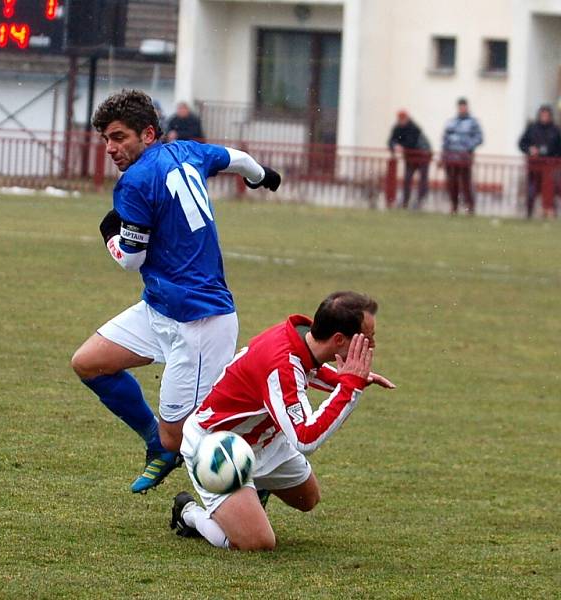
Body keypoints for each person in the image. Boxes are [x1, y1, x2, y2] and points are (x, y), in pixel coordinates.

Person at [70, 89, 281, 494]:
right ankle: (157, 446)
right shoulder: (187, 150)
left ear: (147, 134)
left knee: (183, 434)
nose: (111, 148)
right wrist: (261, 176)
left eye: (119, 137)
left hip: (198, 320)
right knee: (89, 362)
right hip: (160, 307)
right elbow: (235, 157)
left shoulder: (134, 181)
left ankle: (264, 466)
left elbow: (130, 259)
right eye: (106, 140)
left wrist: (110, 235)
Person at [169, 291, 396, 550]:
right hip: (217, 447)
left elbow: (305, 369)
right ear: (339, 339)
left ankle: (250, 493)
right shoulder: (281, 364)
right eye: (368, 338)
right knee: (258, 543)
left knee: (307, 498)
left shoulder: (300, 340)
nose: (373, 345)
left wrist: (343, 378)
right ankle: (190, 514)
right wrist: (349, 388)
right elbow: (304, 438)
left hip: (262, 441)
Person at [518, 104, 561, 218]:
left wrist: (554, 157)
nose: (545, 117)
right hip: (534, 164)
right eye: (543, 115)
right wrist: (529, 149)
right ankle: (529, 211)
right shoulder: (532, 128)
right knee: (532, 189)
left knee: (549, 188)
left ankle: (548, 210)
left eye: (547, 115)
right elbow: (522, 143)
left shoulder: (556, 130)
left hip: (550, 165)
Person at [441, 98, 483, 214]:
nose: (462, 109)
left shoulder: (473, 122)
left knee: (466, 183)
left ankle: (470, 206)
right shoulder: (451, 122)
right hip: (451, 157)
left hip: (465, 157)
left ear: (467, 107)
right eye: (460, 107)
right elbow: (445, 140)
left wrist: (468, 146)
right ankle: (454, 205)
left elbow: (479, 138)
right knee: (452, 183)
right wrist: (443, 155)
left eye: (464, 107)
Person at [388, 110, 431, 209]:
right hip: (410, 158)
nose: (401, 121)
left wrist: (400, 146)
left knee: (422, 180)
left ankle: (420, 201)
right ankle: (405, 201)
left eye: (403, 119)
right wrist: (394, 146)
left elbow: (412, 142)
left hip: (422, 156)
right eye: (400, 119)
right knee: (407, 179)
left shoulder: (414, 128)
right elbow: (391, 140)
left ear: (407, 118)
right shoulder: (397, 128)